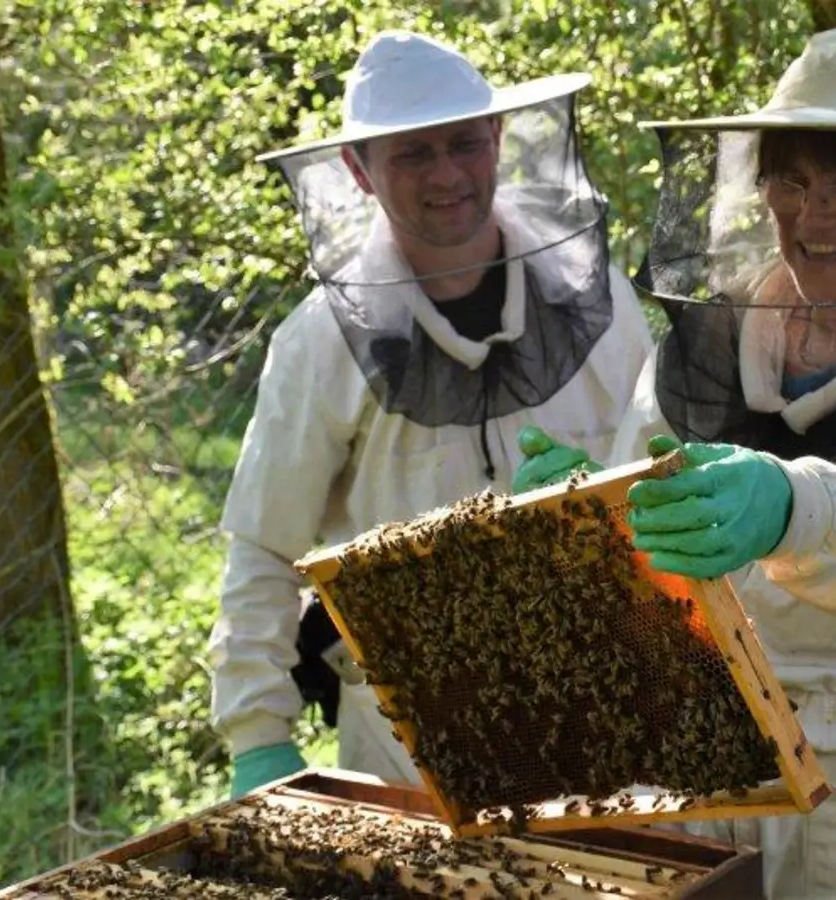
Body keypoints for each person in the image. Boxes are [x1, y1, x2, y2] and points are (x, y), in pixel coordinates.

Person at [516, 26, 836, 898]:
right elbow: (644, 564)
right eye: (790, 181)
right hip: (696, 775)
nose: (814, 214)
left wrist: (794, 509)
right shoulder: (708, 340)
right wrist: (579, 517)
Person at [211, 30, 653, 800]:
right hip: (409, 740)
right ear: (358, 170)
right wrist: (258, 736)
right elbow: (263, 547)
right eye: (413, 154)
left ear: (498, 140)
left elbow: (658, 482)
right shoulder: (319, 341)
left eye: (464, 144)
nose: (447, 174)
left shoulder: (600, 299)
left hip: (604, 715)